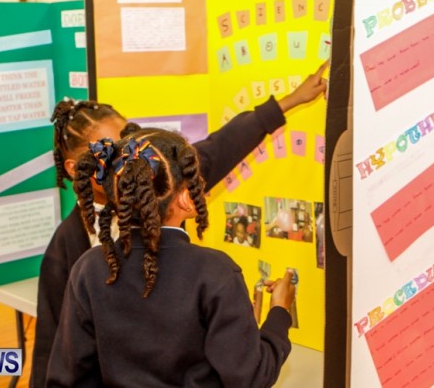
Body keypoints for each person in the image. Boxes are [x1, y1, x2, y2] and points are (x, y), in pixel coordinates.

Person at [31, 62, 328, 387]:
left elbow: (224, 145)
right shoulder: (72, 254)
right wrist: (277, 315)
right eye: (112, 153)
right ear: (77, 168)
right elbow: (55, 355)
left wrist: (290, 100)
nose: (129, 158)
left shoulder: (161, 176)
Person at [45, 129, 297, 387]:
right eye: (196, 180)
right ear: (187, 199)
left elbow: (69, 377)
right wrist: (280, 312)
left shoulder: (89, 269)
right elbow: (250, 376)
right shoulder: (215, 273)